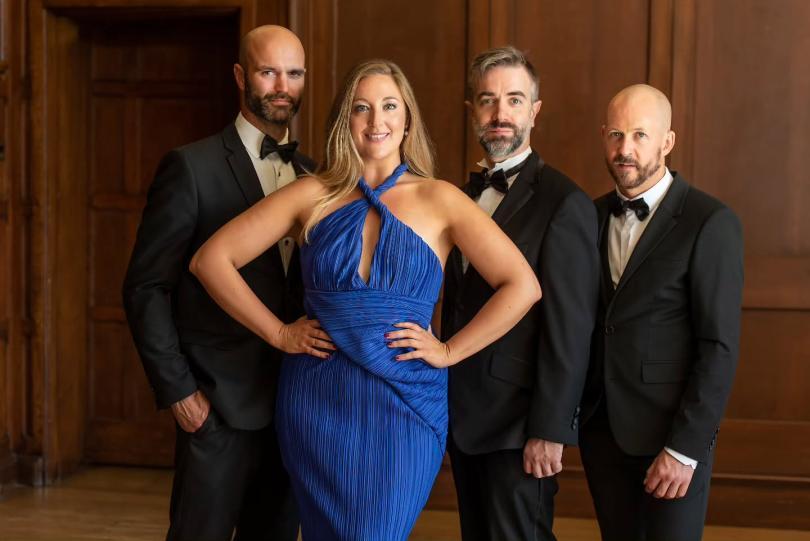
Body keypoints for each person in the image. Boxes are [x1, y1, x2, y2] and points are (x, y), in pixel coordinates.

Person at [189, 59, 541, 540]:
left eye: (389, 106)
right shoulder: (310, 194)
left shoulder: (442, 200)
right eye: (362, 108)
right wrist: (278, 331)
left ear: (407, 118)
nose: (377, 121)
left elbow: (523, 286)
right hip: (318, 397)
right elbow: (211, 260)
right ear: (345, 120)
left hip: (407, 405)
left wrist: (448, 351)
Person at [122, 25, 314, 541]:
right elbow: (145, 288)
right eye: (267, 70)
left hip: (293, 409)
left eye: (293, 73)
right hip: (214, 407)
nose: (281, 85)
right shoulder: (191, 167)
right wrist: (180, 392)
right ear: (240, 76)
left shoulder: (316, 175)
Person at [441, 46, 600, 541]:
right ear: (472, 112)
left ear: (534, 110)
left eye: (514, 100)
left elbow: (571, 329)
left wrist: (550, 428)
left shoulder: (564, 202)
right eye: (488, 101)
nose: (500, 114)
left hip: (520, 424)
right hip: (463, 415)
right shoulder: (459, 196)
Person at [579, 84, 743, 541]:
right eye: (615, 135)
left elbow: (719, 347)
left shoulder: (710, 222)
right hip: (603, 432)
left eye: (639, 136)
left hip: (671, 437)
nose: (624, 149)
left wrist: (684, 449)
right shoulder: (587, 217)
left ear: (667, 142)